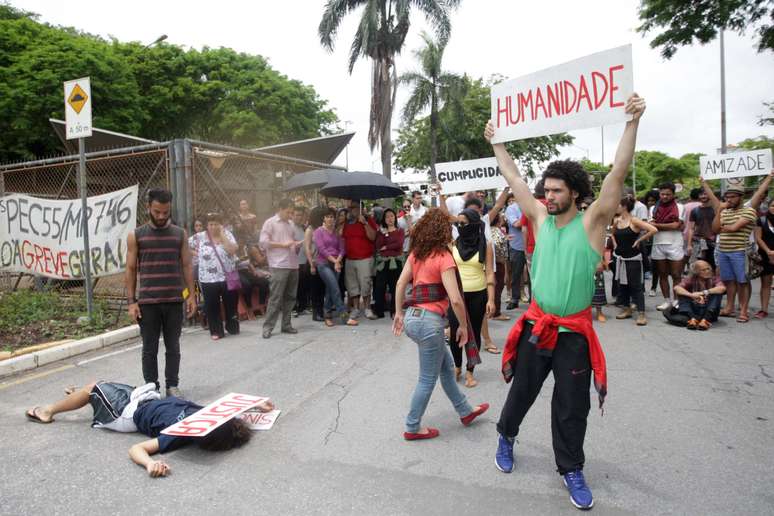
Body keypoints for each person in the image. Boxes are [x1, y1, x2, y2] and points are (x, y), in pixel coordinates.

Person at [486, 93, 645, 510]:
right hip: (539, 325)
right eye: (547, 190)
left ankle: (571, 468)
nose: (548, 195)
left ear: (574, 193)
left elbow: (618, 171)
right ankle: (505, 437)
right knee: (522, 390)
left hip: (574, 332)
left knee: (572, 406)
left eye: (556, 190)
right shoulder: (540, 217)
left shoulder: (592, 224)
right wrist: (497, 143)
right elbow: (515, 179)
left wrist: (632, 123)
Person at [24, 380, 272, 478]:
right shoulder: (206, 415)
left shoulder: (180, 434)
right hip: (142, 396)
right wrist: (256, 405)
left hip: (125, 413)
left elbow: (137, 447)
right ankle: (84, 395)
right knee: (101, 385)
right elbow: (228, 409)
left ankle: (49, 410)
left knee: (94, 387)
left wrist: (149, 464)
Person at [392, 208, 489, 441]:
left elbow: (400, 284)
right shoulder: (444, 257)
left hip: (413, 318)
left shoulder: (416, 253)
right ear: (443, 230)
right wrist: (463, 327)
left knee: (445, 369)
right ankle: (412, 426)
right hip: (429, 322)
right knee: (427, 378)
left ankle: (465, 411)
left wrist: (398, 313)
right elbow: (455, 299)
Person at [126, 188, 196, 398]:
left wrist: (191, 295)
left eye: (165, 212)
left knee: (173, 346)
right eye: (157, 212)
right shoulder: (136, 235)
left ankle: (172, 386)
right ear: (148, 208)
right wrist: (132, 301)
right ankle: (151, 388)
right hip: (148, 302)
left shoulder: (180, 234)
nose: (161, 216)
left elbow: (186, 266)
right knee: (149, 348)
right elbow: (130, 269)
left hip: (174, 300)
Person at [448, 208, 496, 387]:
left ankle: (470, 370)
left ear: (474, 224)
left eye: (464, 223)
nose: (460, 226)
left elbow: (490, 273)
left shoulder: (486, 245)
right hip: (457, 295)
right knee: (454, 333)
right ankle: (457, 366)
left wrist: (491, 299)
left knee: (473, 334)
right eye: (458, 223)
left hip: (478, 294)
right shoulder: (453, 244)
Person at [710, 180, 770, 322]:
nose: (728, 200)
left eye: (732, 197)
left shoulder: (749, 211)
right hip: (723, 250)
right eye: (727, 197)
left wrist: (725, 227)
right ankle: (729, 308)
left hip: (740, 251)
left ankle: (743, 310)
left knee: (742, 281)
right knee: (728, 281)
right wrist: (719, 210)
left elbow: (733, 228)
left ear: (740, 197)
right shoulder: (724, 212)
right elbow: (715, 229)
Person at [612, 197, 658, 325]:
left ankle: (641, 314)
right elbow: (612, 233)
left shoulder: (634, 220)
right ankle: (627, 309)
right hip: (620, 257)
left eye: (618, 205)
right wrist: (615, 245)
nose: (615, 207)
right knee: (622, 285)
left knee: (636, 286)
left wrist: (639, 240)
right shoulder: (617, 220)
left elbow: (653, 229)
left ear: (624, 206)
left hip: (633, 258)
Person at [259, 199, 301, 339]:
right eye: (288, 212)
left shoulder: (291, 224)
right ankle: (268, 327)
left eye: (291, 212)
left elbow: (292, 241)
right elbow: (263, 243)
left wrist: (297, 245)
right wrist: (282, 245)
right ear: (280, 209)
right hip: (278, 265)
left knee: (290, 297)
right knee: (275, 297)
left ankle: (286, 325)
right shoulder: (270, 222)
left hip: (293, 264)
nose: (290, 215)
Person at [196, 213, 240, 340]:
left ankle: (232, 326)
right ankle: (216, 331)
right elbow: (186, 247)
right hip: (208, 278)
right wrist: (197, 254)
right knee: (211, 305)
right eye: (210, 224)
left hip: (227, 276)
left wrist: (222, 234)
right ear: (207, 225)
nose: (213, 227)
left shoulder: (227, 234)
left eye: (216, 224)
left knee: (231, 303)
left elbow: (232, 250)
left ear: (220, 224)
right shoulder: (200, 237)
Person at [313, 208, 355, 327]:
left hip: (336, 263)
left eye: (332, 217)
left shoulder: (337, 232)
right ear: (324, 218)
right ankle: (344, 317)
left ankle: (327, 316)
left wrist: (338, 261)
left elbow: (342, 249)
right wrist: (335, 261)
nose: (330, 219)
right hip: (324, 264)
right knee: (335, 289)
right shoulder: (318, 232)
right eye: (328, 217)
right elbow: (322, 249)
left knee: (330, 290)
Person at [649, 182, 685, 312]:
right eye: (662, 194)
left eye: (668, 194)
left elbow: (676, 226)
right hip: (658, 244)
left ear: (673, 194)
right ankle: (666, 301)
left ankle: (677, 300)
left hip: (675, 244)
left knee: (676, 275)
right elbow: (651, 226)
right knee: (662, 274)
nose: (664, 196)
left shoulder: (680, 207)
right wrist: (668, 225)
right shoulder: (653, 208)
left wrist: (658, 225)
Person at [342, 201, 378, 321]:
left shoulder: (368, 220)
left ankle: (367, 308)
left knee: (365, 284)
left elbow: (373, 237)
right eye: (350, 208)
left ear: (360, 208)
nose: (351, 210)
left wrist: (365, 223)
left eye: (353, 207)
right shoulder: (347, 222)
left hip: (365, 258)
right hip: (350, 259)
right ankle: (356, 309)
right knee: (352, 286)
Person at [664, 260, 726, 329]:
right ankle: (692, 319)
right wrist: (691, 295)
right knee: (683, 293)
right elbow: (676, 288)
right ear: (697, 272)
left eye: (708, 269)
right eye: (703, 270)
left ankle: (705, 320)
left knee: (717, 293)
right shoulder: (691, 279)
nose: (707, 271)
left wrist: (703, 292)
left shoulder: (714, 278)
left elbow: (722, 288)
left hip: (709, 311)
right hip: (695, 309)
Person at [373, 208, 405, 319]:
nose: (390, 219)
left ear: (395, 217)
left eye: (391, 216)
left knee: (395, 287)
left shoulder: (400, 230)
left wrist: (386, 246)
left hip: (396, 262)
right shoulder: (381, 231)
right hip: (383, 262)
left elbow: (399, 244)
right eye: (387, 217)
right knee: (379, 287)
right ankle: (379, 311)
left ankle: (394, 311)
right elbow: (378, 246)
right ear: (384, 219)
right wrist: (384, 235)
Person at [304, 206, 327, 322]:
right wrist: (311, 264)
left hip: (323, 262)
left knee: (322, 288)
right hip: (313, 262)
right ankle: (316, 312)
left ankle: (321, 310)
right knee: (315, 289)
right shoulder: (310, 230)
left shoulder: (323, 229)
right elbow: (307, 248)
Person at [686, 186, 717, 270]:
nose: (703, 196)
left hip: (714, 242)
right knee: (698, 268)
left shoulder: (716, 209)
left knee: (714, 267)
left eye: (706, 194)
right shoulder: (695, 210)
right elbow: (691, 228)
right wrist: (689, 245)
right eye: (701, 194)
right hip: (698, 242)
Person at [754, 197, 774, 318]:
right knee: (766, 283)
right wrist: (769, 252)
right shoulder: (761, 220)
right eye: (772, 206)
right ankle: (764, 309)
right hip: (765, 255)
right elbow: (758, 237)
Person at [505, 196, 526, 310]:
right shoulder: (511, 209)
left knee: (535, 274)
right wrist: (528, 212)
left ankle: (535, 300)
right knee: (516, 274)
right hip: (517, 245)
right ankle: (514, 299)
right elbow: (517, 224)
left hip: (533, 245)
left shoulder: (532, 206)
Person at [237, 244, 271, 314]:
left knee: (264, 281)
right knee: (247, 284)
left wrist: (254, 271)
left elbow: (249, 263)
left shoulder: (245, 249)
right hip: (236, 272)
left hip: (246, 271)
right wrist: (239, 260)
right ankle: (249, 307)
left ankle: (262, 304)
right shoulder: (232, 250)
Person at [489, 213, 511, 322]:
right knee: (498, 288)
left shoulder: (487, 231)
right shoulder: (498, 232)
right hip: (498, 263)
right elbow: (499, 248)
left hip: (488, 264)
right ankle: (496, 312)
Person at [293, 206, 311, 316]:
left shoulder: (304, 228)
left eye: (301, 215)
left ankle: (303, 307)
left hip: (304, 261)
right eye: (297, 215)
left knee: (303, 285)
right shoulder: (290, 228)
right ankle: (294, 308)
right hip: (294, 261)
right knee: (295, 286)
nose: (299, 217)